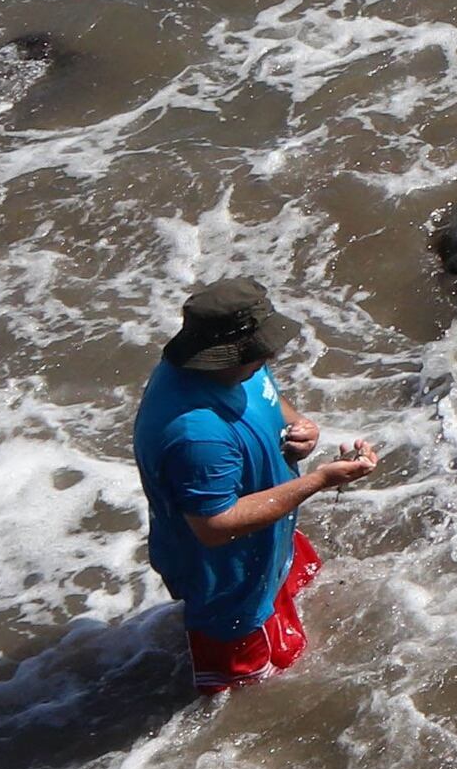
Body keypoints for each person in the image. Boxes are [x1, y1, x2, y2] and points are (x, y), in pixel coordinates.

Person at [130, 277, 377, 695]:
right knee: (255, 694)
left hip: (268, 542)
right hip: (230, 579)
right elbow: (215, 525)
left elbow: (267, 396)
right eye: (260, 348)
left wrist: (301, 428)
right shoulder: (197, 434)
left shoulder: (234, 369)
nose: (272, 353)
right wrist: (319, 479)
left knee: (302, 601)